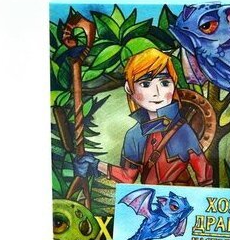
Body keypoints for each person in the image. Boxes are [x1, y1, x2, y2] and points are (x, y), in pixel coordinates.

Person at [73, 48, 212, 186]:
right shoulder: (134, 135)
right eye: (145, 84)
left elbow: (205, 176)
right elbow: (128, 177)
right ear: (129, 88)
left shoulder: (183, 131)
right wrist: (96, 164)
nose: (157, 92)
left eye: (164, 83)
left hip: (180, 197)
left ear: (173, 85)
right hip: (149, 197)